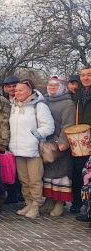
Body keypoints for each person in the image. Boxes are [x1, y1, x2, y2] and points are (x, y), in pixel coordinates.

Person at [8, 79, 54, 219]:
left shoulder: (39, 106)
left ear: (29, 91)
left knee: (35, 180)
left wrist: (35, 136)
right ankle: (28, 202)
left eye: (21, 90)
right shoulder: (14, 105)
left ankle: (36, 206)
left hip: (33, 150)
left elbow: (49, 126)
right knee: (24, 179)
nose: (17, 93)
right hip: (17, 149)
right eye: (16, 90)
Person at [41, 77, 75, 216]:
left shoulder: (68, 104)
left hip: (60, 144)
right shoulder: (44, 100)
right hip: (46, 143)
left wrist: (63, 142)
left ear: (62, 87)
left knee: (61, 174)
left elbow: (68, 124)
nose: (52, 88)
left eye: (55, 86)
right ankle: (49, 200)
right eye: (50, 85)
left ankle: (60, 203)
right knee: (48, 173)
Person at [71, 67, 91, 216]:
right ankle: (78, 204)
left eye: (89, 75)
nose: (85, 78)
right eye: (83, 75)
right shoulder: (77, 94)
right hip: (79, 139)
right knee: (78, 172)